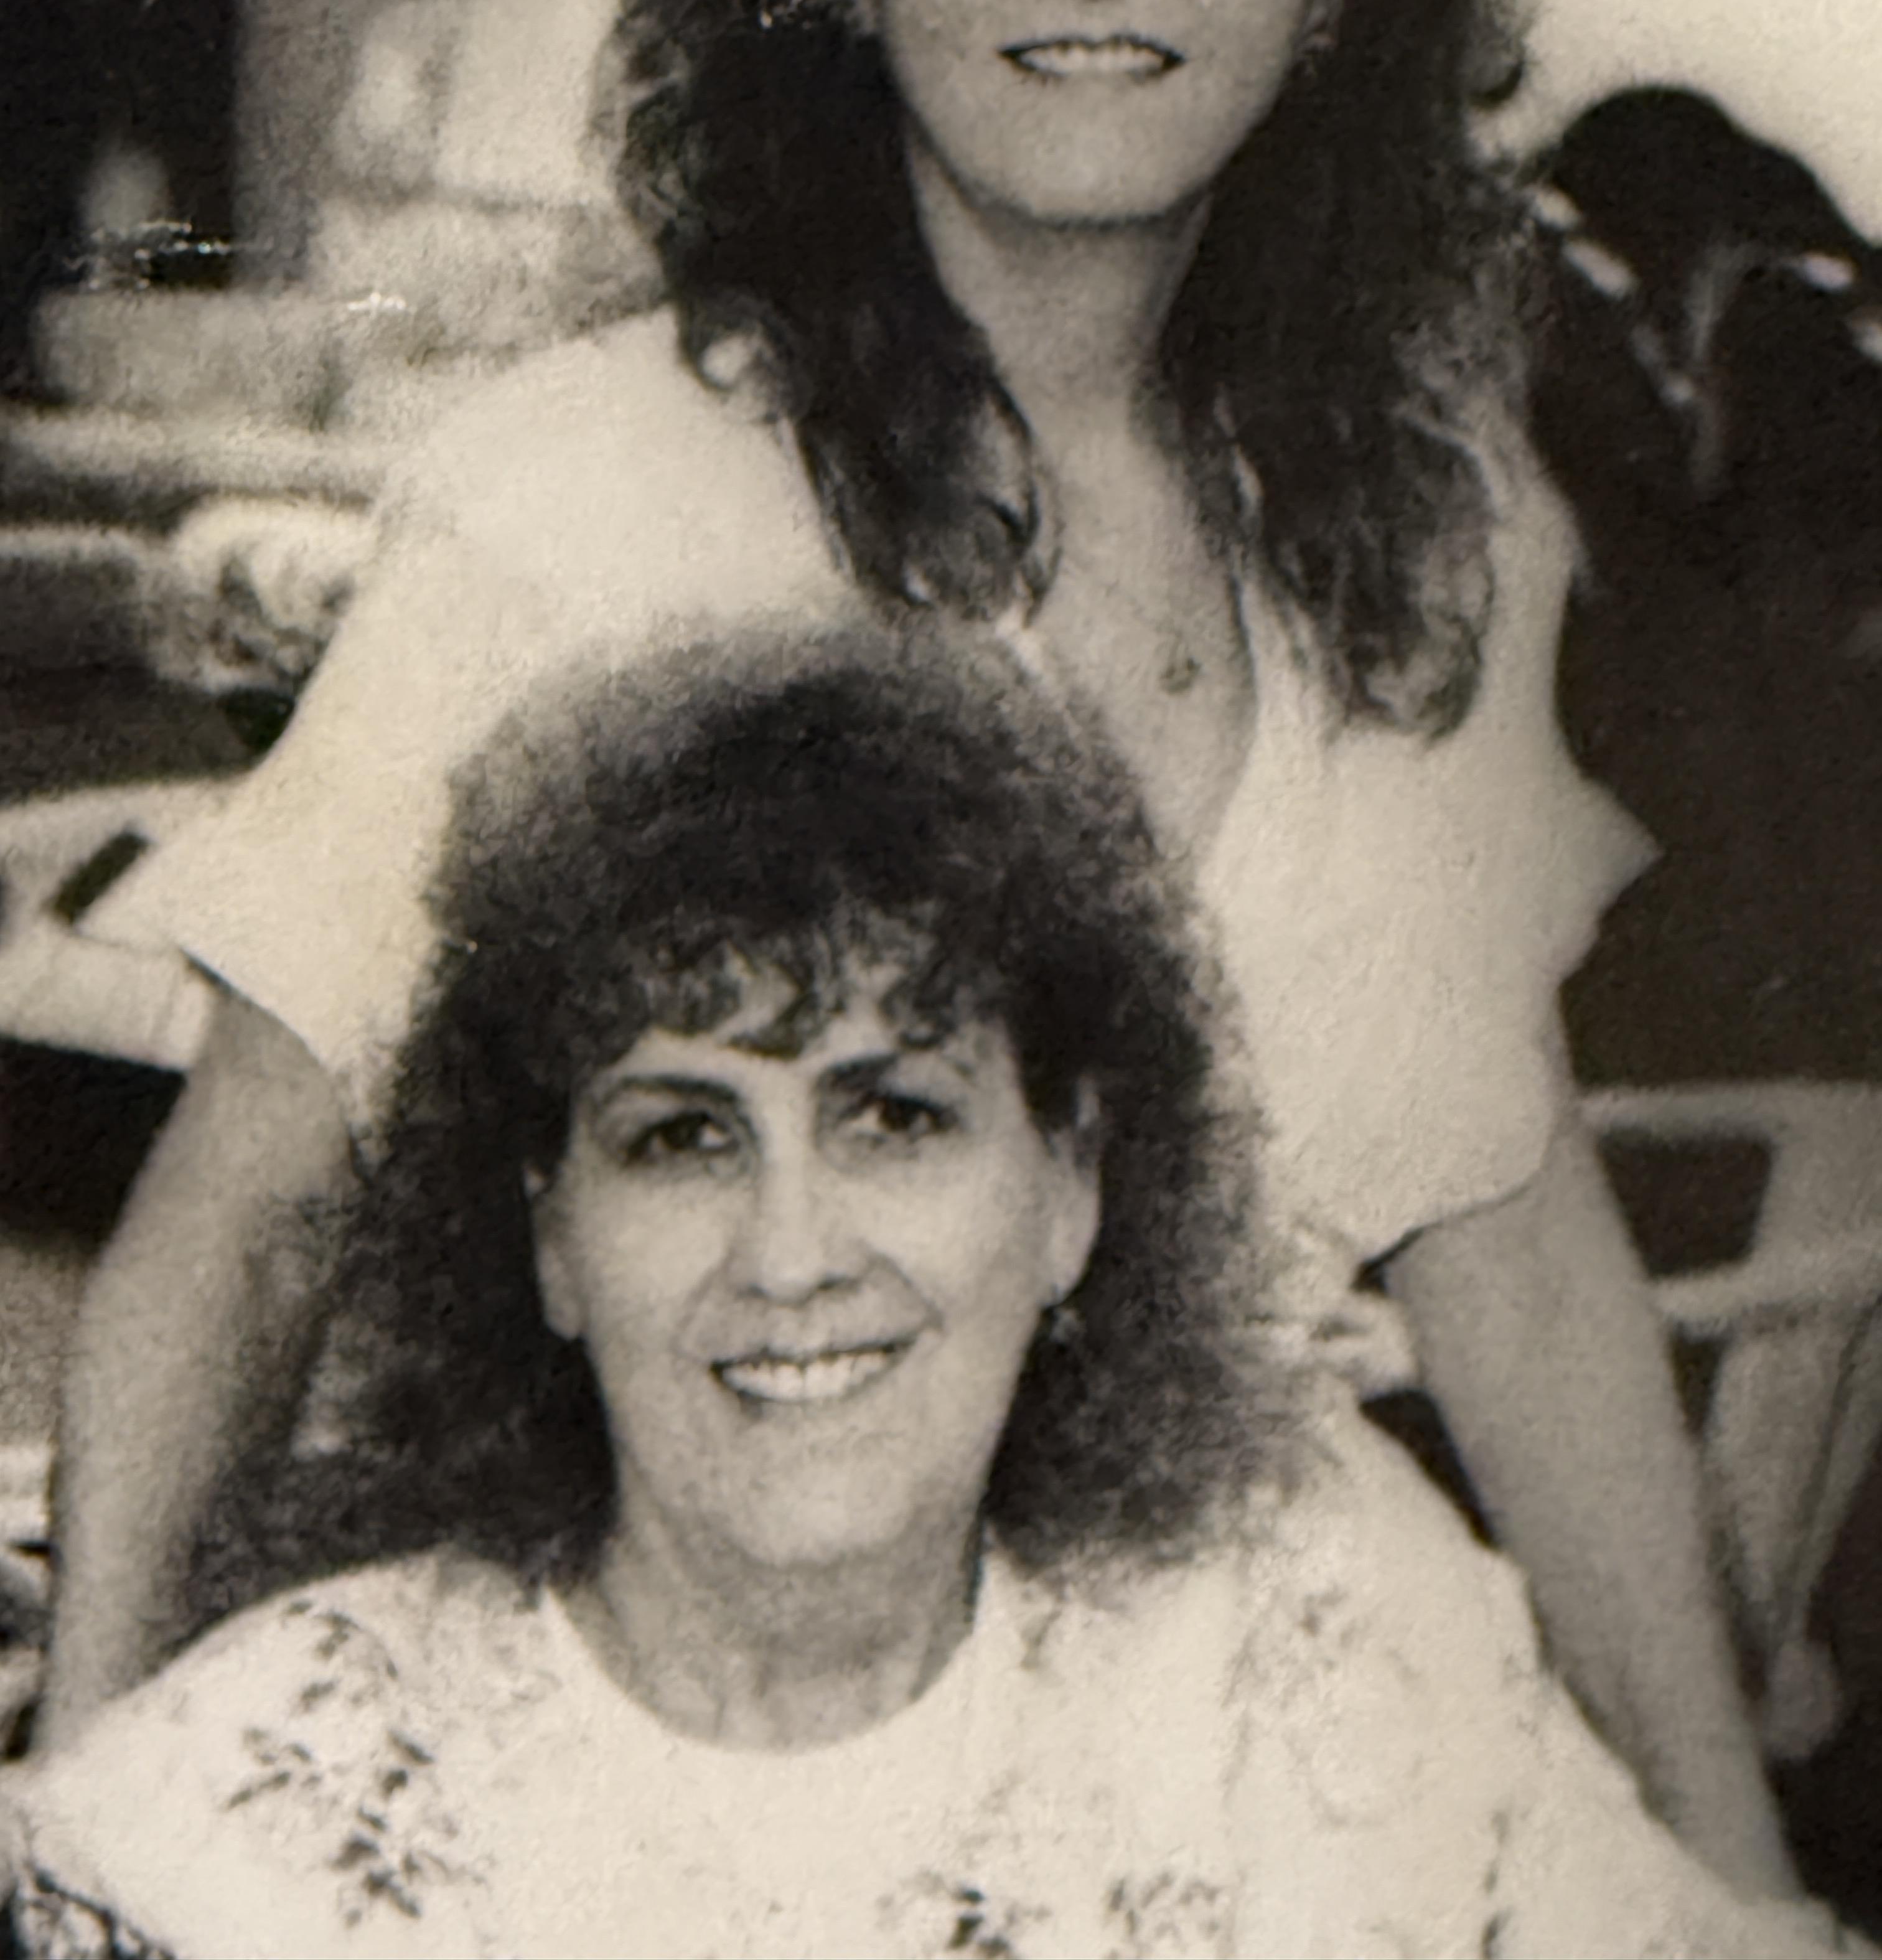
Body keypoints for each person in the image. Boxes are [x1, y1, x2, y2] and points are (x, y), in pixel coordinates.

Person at [47, 0, 1792, 1895]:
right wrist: (101, 1846)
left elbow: (1511, 1261)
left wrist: (1751, 1879)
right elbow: (234, 1235)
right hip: (682, 1752)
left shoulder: (1415, 546)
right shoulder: (585, 495)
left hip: (1237, 1769)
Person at [4, 654, 1855, 1958]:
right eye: (680, 1139)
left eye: (895, 1117)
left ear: (1070, 1192)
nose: (794, 1249)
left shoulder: (1314, 1656)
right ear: (549, 1243)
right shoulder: (241, 1843)